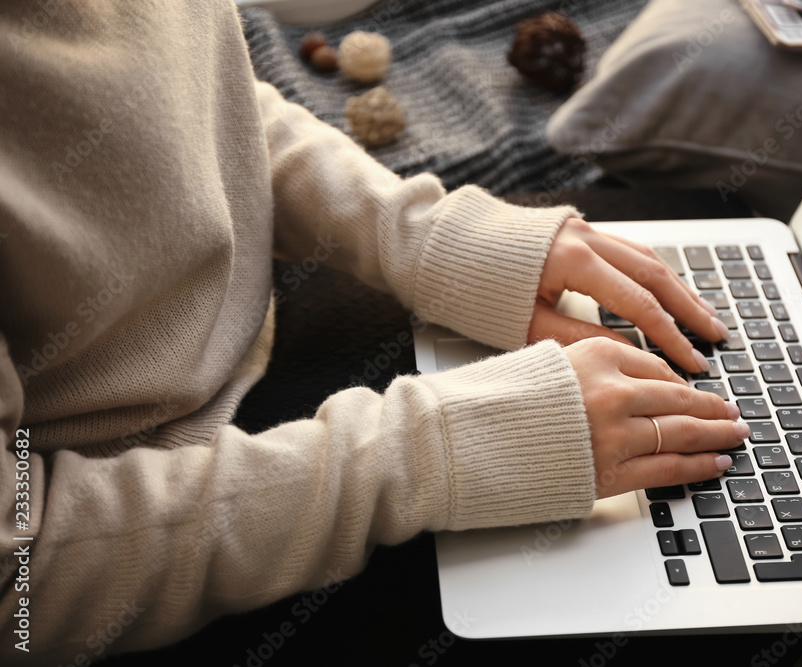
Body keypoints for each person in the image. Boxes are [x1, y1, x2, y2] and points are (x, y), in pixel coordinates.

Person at [0, 0, 746, 662]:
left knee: (714, 219)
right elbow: (20, 593)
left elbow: (208, 98)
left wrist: (419, 235)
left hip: (262, 333)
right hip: (159, 511)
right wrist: (434, 451)